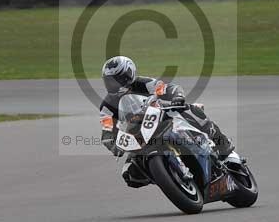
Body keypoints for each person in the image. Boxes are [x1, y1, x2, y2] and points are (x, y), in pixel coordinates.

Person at [99, 56, 235, 187]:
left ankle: (222, 144)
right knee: (130, 175)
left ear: (128, 74)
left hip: (159, 116)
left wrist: (177, 97)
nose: (113, 84)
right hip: (137, 134)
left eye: (116, 79)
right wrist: (113, 145)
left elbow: (167, 88)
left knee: (190, 109)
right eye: (109, 81)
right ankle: (167, 176)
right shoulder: (107, 105)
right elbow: (106, 130)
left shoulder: (143, 83)